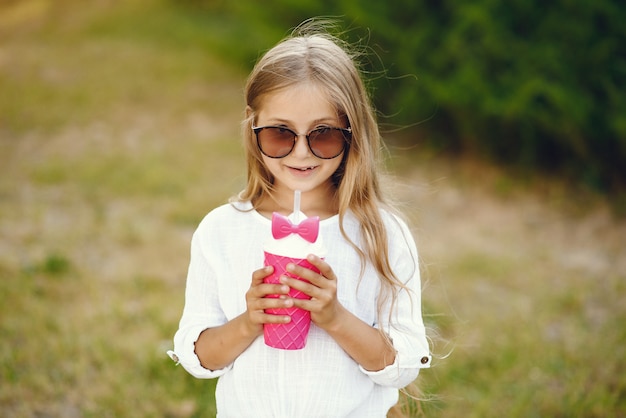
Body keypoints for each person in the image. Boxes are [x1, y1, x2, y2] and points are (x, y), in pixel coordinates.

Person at [168, 20, 431, 418]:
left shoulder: (381, 233)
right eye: (280, 134)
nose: (301, 153)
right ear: (253, 127)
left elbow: (402, 363)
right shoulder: (221, 231)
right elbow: (199, 358)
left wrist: (335, 317)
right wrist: (249, 320)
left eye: (323, 134)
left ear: (352, 133)